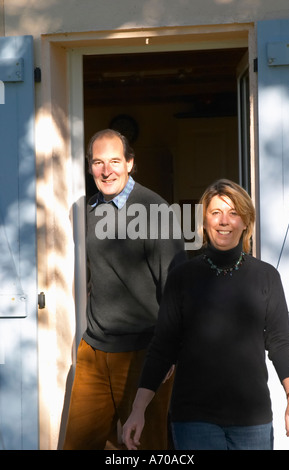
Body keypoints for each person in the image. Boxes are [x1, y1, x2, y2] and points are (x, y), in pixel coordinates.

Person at [122, 178, 289, 450]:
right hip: (194, 420)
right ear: (204, 222)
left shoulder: (266, 277)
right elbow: (163, 347)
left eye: (233, 213)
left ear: (246, 221)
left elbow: (280, 340)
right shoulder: (182, 277)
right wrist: (138, 409)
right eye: (215, 213)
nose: (224, 221)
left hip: (252, 421)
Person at [63, 129, 186, 450]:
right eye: (98, 162)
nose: (106, 170)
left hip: (144, 352)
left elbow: (176, 287)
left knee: (145, 446)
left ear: (130, 163)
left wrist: (169, 350)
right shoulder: (86, 210)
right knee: (77, 444)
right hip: (94, 350)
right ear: (89, 167)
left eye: (115, 161)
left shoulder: (155, 209)